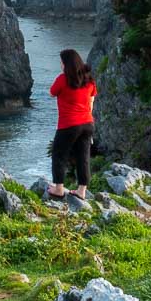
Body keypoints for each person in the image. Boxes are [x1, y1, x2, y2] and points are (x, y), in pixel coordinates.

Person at [47, 48, 96, 200]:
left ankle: (58, 189)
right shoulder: (89, 79)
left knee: (59, 154)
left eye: (61, 62)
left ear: (67, 64)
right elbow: (91, 101)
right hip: (87, 123)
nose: (60, 65)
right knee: (83, 156)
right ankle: (82, 191)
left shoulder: (63, 79)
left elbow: (52, 92)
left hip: (69, 124)